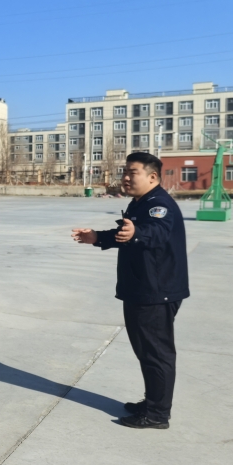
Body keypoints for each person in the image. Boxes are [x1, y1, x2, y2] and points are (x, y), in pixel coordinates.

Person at [72, 152, 188, 430]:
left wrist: (137, 233)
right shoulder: (140, 202)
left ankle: (157, 414)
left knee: (156, 354)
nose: (125, 177)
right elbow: (127, 235)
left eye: (131, 172)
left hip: (155, 292)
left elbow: (156, 232)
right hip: (142, 289)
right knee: (146, 352)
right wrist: (97, 237)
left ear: (152, 176)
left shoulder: (159, 204)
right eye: (124, 172)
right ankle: (153, 402)